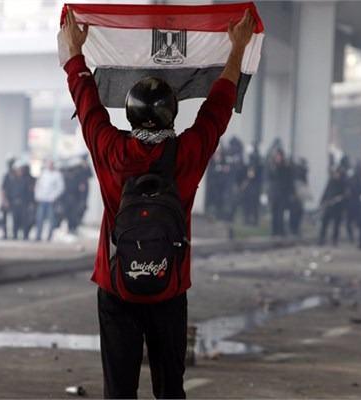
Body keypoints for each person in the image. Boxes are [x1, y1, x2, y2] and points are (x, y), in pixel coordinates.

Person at [62, 8, 256, 398]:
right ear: (172, 114)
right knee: (170, 390)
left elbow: (86, 103)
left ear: (130, 114)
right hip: (169, 287)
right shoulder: (188, 153)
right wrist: (236, 48)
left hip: (116, 286)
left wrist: (75, 52)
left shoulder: (111, 151)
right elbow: (218, 106)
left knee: (119, 391)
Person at [34, 160, 65, 241]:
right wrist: (37, 196)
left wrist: (54, 197)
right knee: (39, 218)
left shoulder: (57, 175)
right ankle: (38, 236)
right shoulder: (43, 174)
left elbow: (60, 188)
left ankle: (49, 236)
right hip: (42, 199)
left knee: (51, 219)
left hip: (51, 200)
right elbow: (38, 185)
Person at [267, 148, 294, 237]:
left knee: (280, 214)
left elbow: (289, 180)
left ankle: (281, 231)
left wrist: (290, 193)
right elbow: (270, 179)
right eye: (276, 156)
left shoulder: (285, 167)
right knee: (274, 213)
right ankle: (274, 231)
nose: (277, 158)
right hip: (274, 193)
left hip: (283, 193)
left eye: (279, 156)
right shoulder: (272, 166)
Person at [318, 167, 347, 246]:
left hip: (338, 207)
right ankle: (321, 239)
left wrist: (338, 199)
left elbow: (345, 195)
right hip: (329, 206)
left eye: (337, 173)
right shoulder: (331, 181)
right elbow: (326, 191)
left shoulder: (343, 183)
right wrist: (322, 201)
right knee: (325, 223)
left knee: (336, 225)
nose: (336, 175)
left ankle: (334, 240)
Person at [345, 162, 361, 243]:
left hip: (357, 204)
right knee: (349, 223)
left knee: (358, 222)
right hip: (351, 204)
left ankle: (357, 237)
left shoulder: (360, 180)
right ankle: (351, 237)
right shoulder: (350, 180)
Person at [0, 157, 16, 240]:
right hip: (7, 199)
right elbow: (3, 189)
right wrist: (4, 200)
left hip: (14, 200)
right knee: (4, 218)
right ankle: (5, 234)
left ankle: (14, 234)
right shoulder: (6, 176)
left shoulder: (17, 175)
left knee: (15, 218)